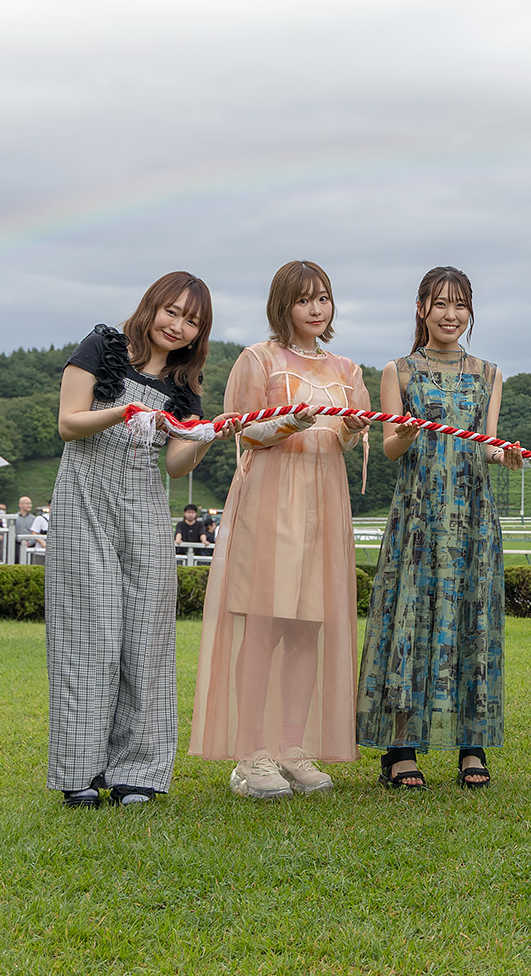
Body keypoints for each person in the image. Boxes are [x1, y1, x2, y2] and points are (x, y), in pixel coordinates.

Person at [190, 260, 372, 799]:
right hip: (271, 499)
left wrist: (351, 430)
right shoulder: (257, 359)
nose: (317, 309)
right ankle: (252, 755)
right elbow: (243, 433)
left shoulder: (347, 369)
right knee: (265, 626)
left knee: (307, 628)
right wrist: (289, 420)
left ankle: (293, 748)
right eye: (304, 300)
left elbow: (341, 438)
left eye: (324, 298)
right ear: (283, 305)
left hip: (324, 502)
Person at [45, 271, 227, 808]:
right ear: (151, 306)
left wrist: (203, 437)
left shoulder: (183, 389)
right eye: (172, 311)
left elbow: (174, 465)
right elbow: (69, 423)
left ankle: (138, 773)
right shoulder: (101, 348)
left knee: (147, 639)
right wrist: (125, 411)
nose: (178, 326)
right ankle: (80, 771)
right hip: (85, 506)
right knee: (86, 635)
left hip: (146, 514)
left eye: (192, 321)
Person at [357, 266, 521, 789]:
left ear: (470, 312)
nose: (451, 315)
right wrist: (404, 433)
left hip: (473, 518)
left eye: (460, 305)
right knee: (409, 621)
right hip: (419, 517)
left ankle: (472, 747)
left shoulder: (490, 373)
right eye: (440, 304)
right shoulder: (398, 372)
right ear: (422, 309)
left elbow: (487, 443)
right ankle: (399, 749)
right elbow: (389, 446)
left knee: (473, 623)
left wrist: (506, 456)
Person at [12, 497, 49, 563]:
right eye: (27, 503)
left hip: (31, 545)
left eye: (30, 503)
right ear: (20, 505)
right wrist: (21, 540)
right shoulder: (14, 517)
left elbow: (35, 532)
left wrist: (30, 542)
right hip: (16, 544)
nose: (29, 505)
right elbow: (12, 532)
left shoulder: (34, 518)